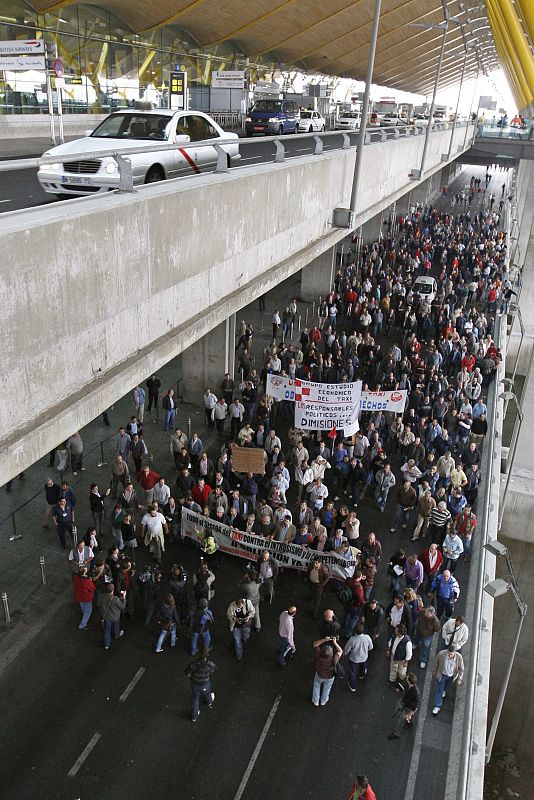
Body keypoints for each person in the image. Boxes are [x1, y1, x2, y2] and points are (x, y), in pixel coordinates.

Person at [185, 648, 216, 723]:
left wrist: (192, 678)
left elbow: (187, 674)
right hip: (205, 683)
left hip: (195, 684)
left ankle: (194, 717)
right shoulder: (210, 664)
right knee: (208, 693)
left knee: (195, 699)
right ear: (207, 655)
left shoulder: (193, 665)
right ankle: (209, 702)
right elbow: (213, 670)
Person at [432, 645, 464, 715]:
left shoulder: (459, 657)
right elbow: (436, 662)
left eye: (451, 654)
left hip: (452, 676)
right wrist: (434, 671)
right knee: (439, 689)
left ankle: (444, 690)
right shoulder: (441, 654)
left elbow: (461, 669)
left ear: (455, 652)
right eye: (448, 654)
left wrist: (459, 678)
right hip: (442, 674)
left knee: (446, 686)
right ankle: (437, 705)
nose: (449, 655)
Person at [312, 636, 343, 707]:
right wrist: (335, 643)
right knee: (327, 688)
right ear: (331, 654)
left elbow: (315, 644)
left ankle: (315, 701)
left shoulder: (319, 654)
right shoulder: (334, 659)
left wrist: (324, 640)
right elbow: (340, 651)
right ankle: (323, 701)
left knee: (316, 686)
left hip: (319, 674)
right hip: (330, 676)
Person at [388, 672, 421, 739]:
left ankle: (397, 733)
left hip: (409, 706)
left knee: (400, 720)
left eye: (407, 677)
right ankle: (410, 723)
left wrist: (409, 714)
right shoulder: (409, 685)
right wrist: (400, 689)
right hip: (405, 702)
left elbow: (415, 706)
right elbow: (405, 690)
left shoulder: (416, 693)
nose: (406, 677)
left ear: (409, 681)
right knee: (406, 717)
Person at [344, 623, 374, 691]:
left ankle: (352, 686)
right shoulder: (367, 637)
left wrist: (344, 654)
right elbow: (371, 647)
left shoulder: (352, 639)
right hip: (364, 657)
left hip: (354, 659)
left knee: (352, 671)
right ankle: (361, 675)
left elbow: (346, 650)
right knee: (362, 667)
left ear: (355, 631)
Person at [97, 582, 126, 651]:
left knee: (107, 630)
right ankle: (116, 635)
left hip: (106, 617)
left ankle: (106, 645)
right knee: (116, 626)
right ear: (113, 590)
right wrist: (124, 598)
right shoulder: (115, 599)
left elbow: (98, 605)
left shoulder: (100, 596)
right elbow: (122, 607)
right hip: (115, 617)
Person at [72, 565, 96, 630]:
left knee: (83, 607)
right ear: (84, 572)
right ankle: (82, 624)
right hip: (86, 597)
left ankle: (85, 615)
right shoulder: (86, 581)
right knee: (88, 610)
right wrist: (90, 580)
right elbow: (93, 588)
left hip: (79, 595)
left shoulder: (75, 577)